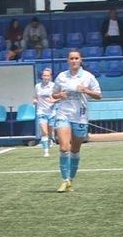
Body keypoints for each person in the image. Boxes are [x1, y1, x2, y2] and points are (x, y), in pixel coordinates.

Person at [50, 49, 102, 192]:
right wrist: (59, 94)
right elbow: (53, 95)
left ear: (81, 60)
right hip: (63, 114)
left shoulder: (88, 77)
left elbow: (98, 95)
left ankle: (70, 179)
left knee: (75, 149)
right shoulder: (61, 77)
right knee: (63, 147)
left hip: (80, 116)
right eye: (71, 58)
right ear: (68, 61)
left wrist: (86, 90)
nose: (73, 61)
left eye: (76, 58)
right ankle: (64, 179)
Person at [34, 66, 55, 156]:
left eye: (47, 76)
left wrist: (54, 100)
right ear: (42, 76)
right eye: (44, 75)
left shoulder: (54, 86)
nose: (46, 77)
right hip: (41, 112)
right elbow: (35, 97)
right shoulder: (37, 86)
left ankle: (50, 139)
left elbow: (59, 98)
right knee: (44, 132)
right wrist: (35, 100)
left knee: (50, 132)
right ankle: (46, 151)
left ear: (50, 77)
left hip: (51, 112)